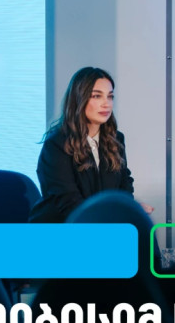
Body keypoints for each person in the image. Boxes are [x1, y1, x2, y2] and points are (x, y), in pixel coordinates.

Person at [30, 67, 150, 223]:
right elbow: (68, 202)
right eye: (97, 96)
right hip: (61, 227)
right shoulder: (56, 144)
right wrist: (110, 217)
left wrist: (128, 208)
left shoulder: (116, 139)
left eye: (110, 96)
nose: (106, 104)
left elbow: (123, 186)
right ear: (79, 99)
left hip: (100, 224)